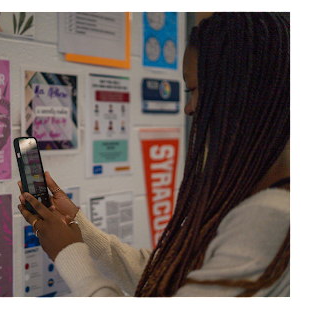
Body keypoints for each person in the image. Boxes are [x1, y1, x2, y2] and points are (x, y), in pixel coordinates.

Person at [17, 12, 290, 297]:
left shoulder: (266, 218)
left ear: (238, 94)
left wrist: (70, 254)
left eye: (194, 91)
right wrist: (76, 227)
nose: (189, 108)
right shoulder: (250, 199)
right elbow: (163, 277)